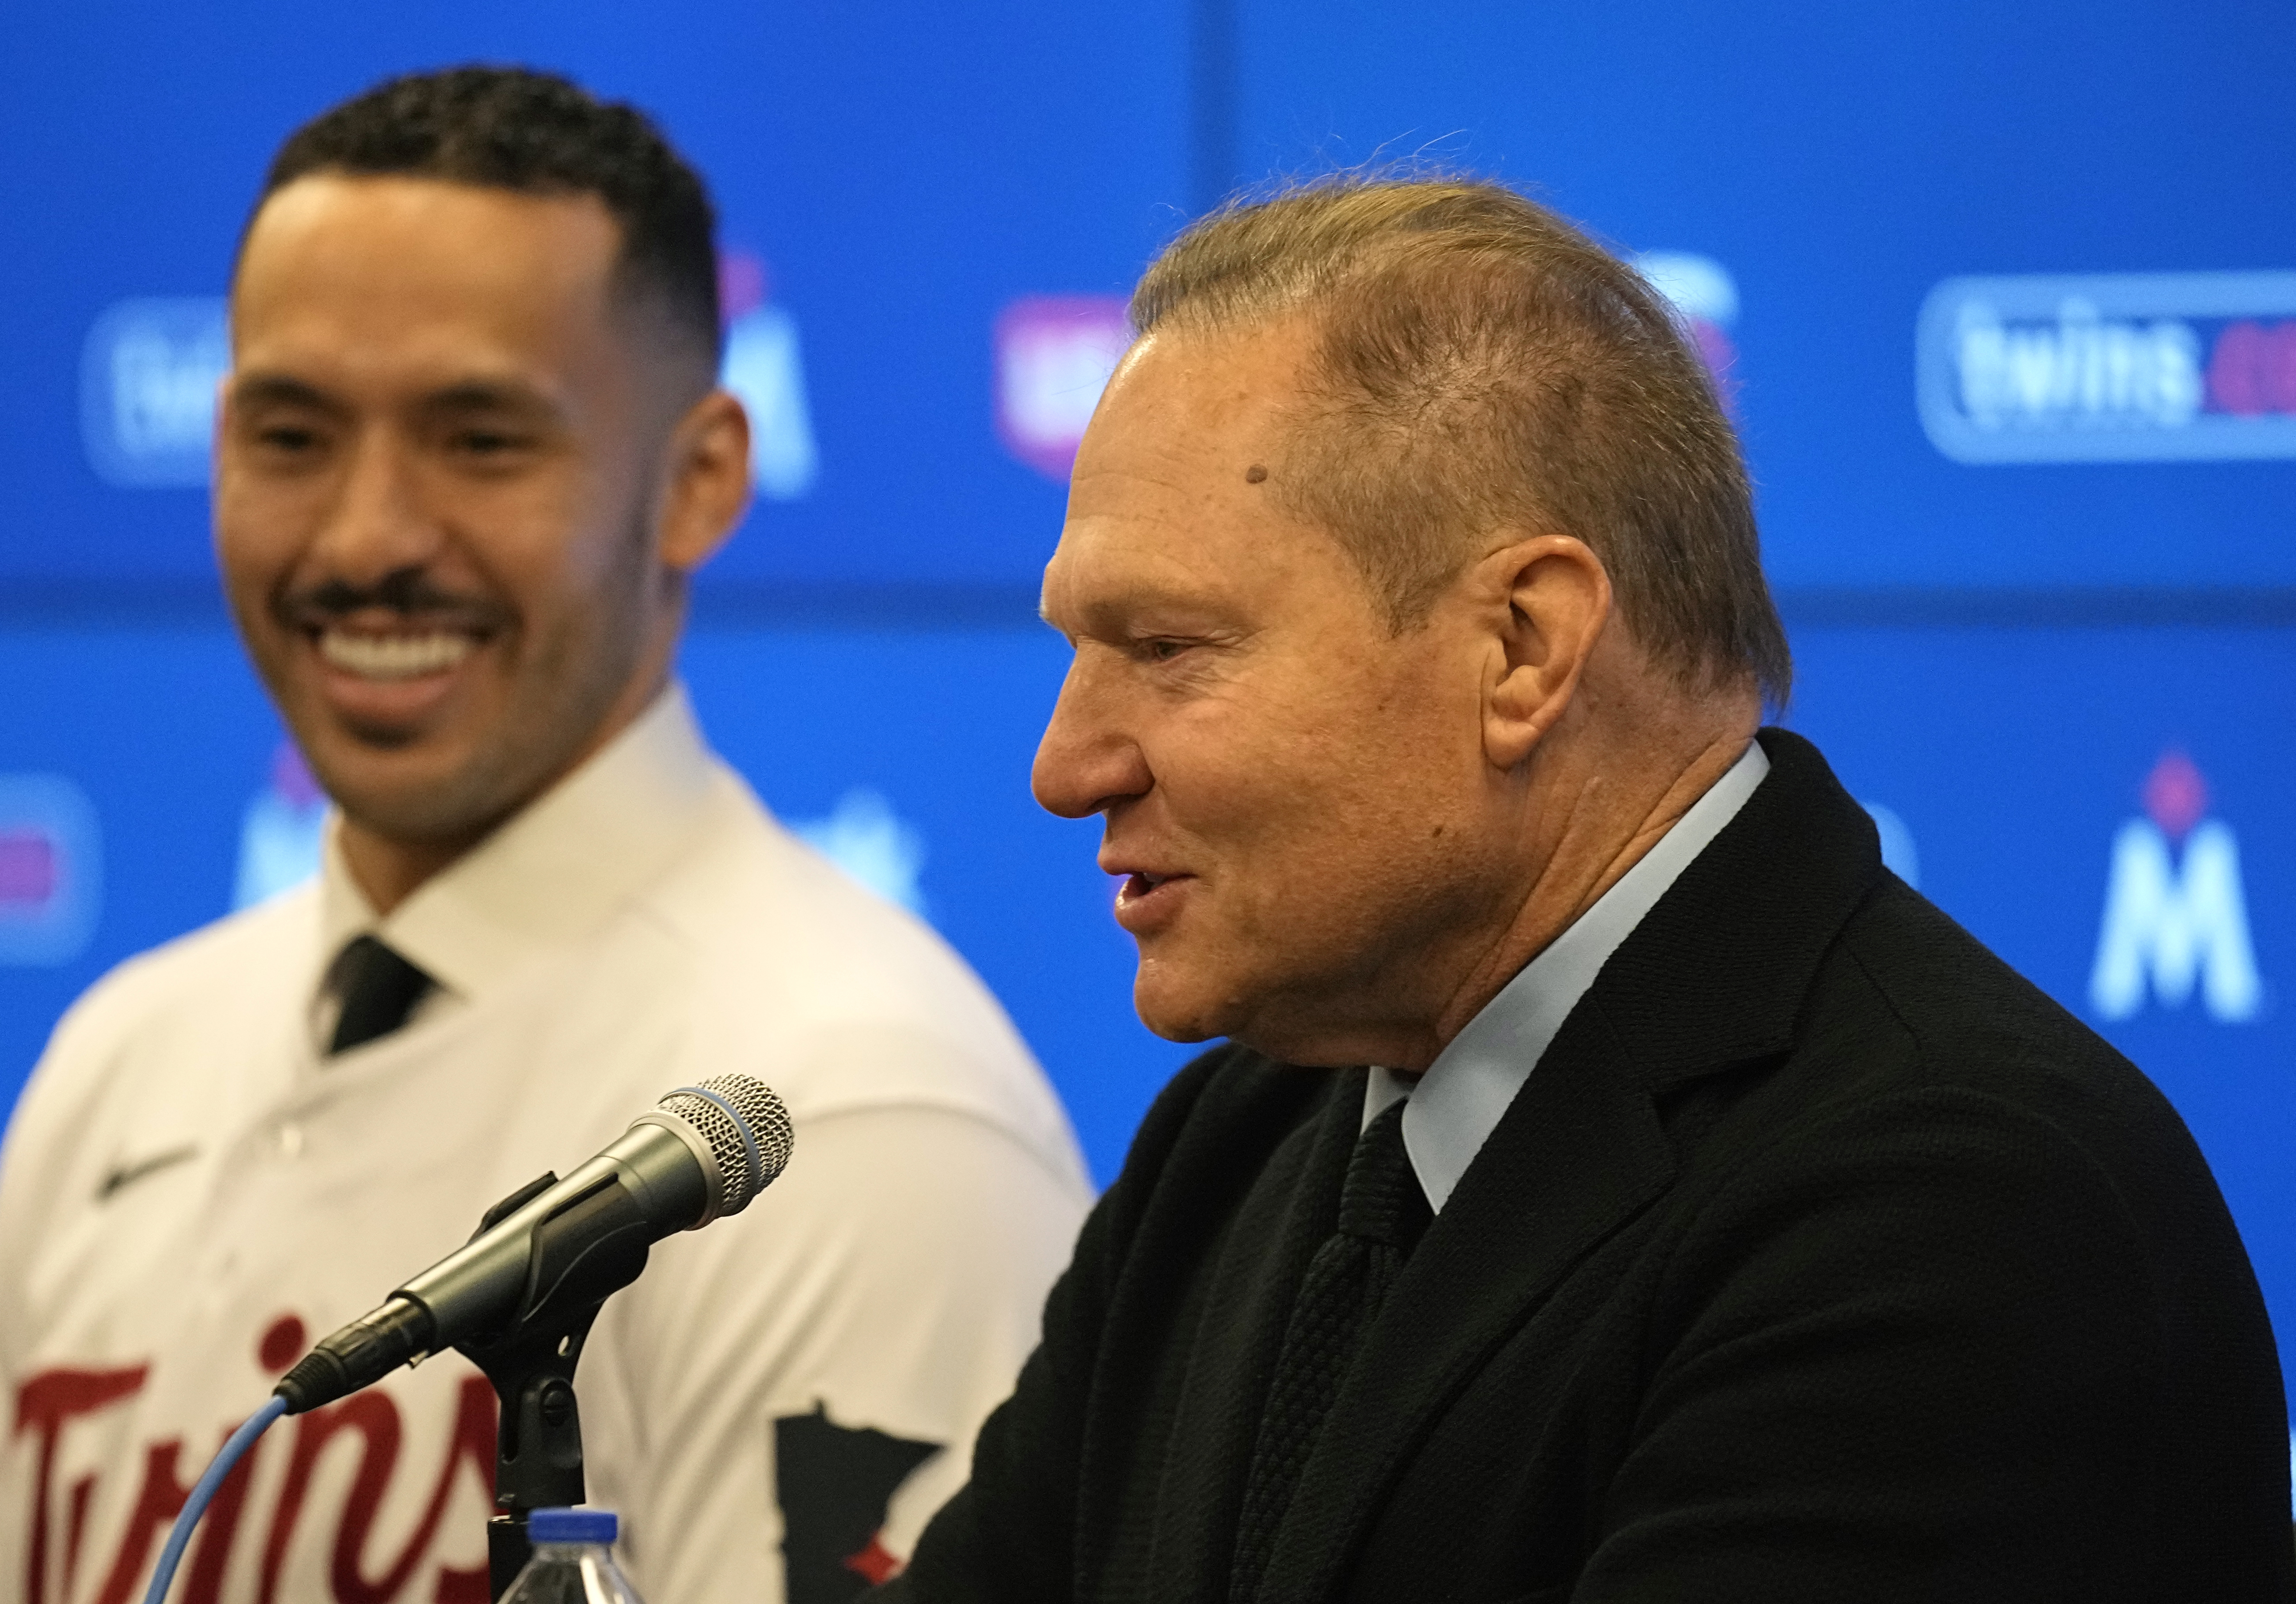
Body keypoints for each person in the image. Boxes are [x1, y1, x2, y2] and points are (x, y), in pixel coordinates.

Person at [874, 176, 2292, 1602]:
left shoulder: (1956, 1208)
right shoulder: (1237, 1142)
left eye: (1170, 647)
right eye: (1077, 647)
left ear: (1525, 647)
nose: (1066, 766)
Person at [0, 67, 1091, 1604]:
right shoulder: (117, 1060)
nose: (365, 539)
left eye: (479, 441)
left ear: (699, 482)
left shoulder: (857, 1113)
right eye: (291, 436)